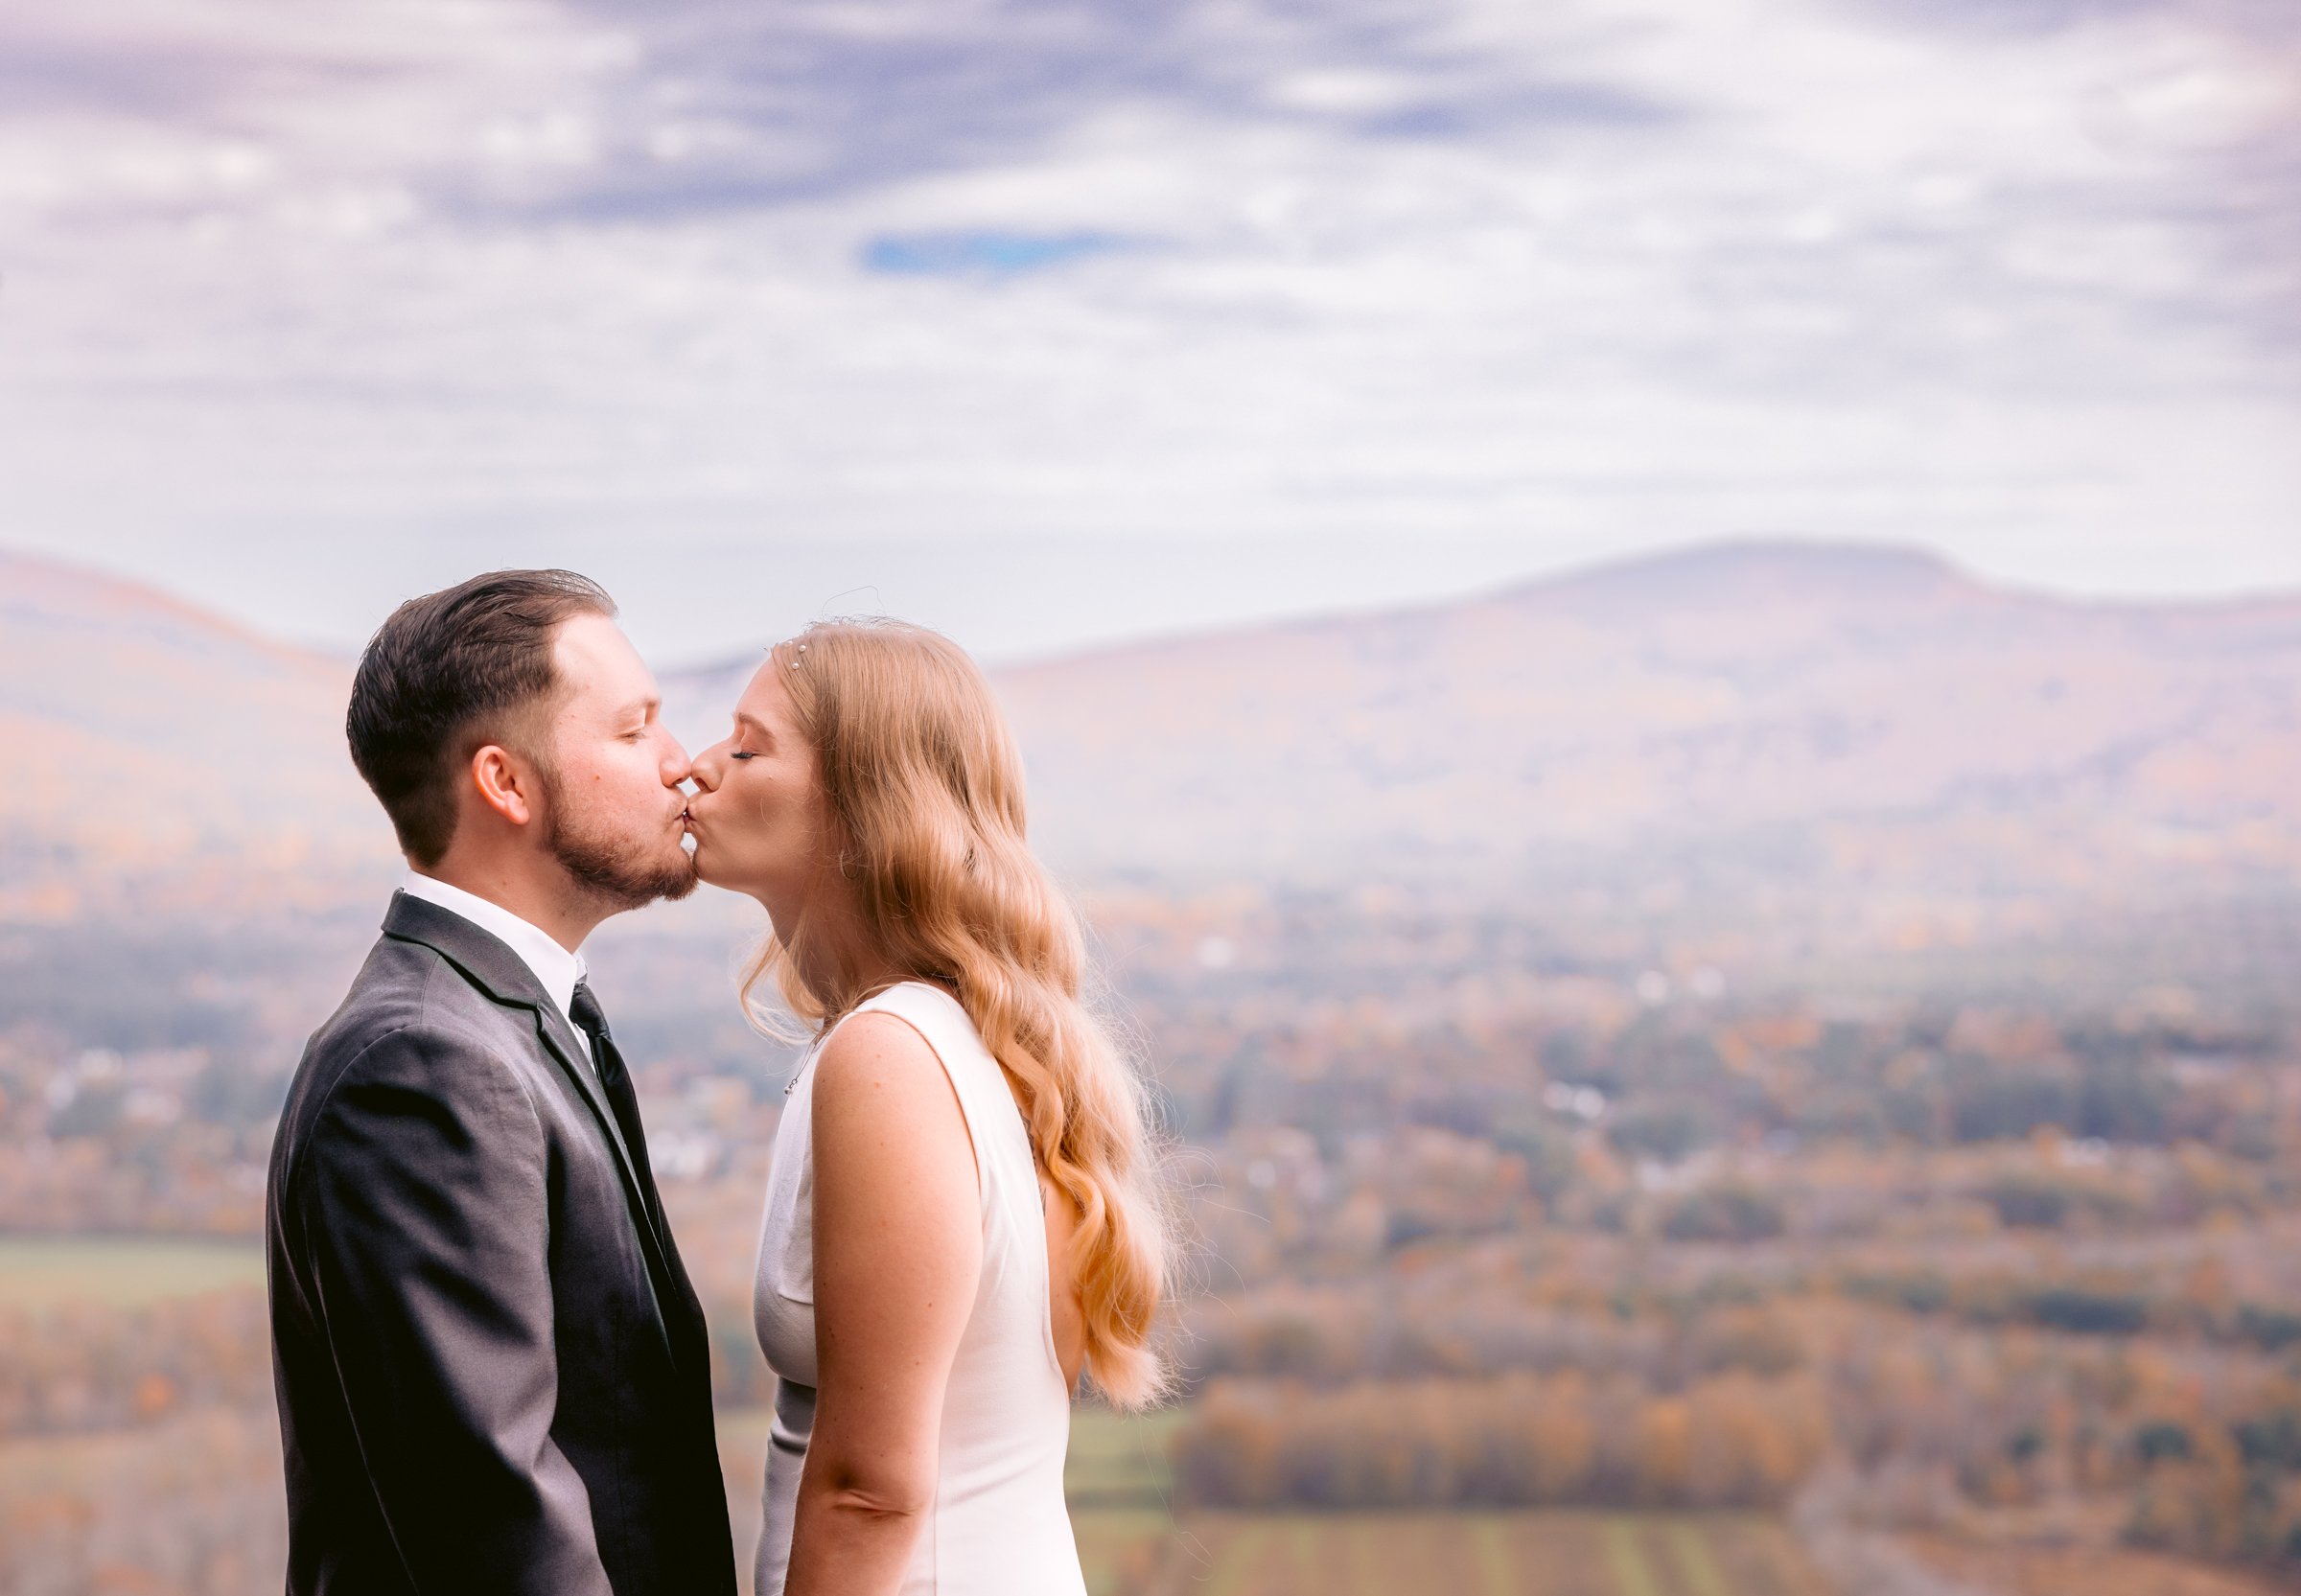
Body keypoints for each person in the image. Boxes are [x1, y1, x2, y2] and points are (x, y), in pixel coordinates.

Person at [266, 569, 737, 1596]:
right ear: (507, 784)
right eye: (632, 729)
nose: (682, 765)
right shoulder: (423, 1066)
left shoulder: (510, 1019)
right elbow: (497, 1531)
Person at [683, 619, 1174, 1596]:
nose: (696, 767)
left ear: (862, 809)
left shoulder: (892, 1058)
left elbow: (872, 1490)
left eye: (747, 746)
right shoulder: (966, 1044)